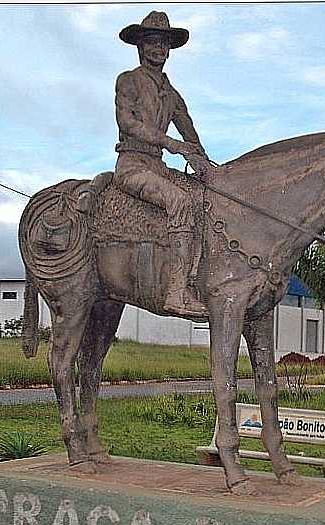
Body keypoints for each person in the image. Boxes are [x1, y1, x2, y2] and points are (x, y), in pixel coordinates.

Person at [114, 11, 211, 316]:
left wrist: (205, 165)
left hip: (158, 167)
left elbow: (189, 134)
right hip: (133, 165)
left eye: (164, 44)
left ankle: (196, 278)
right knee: (179, 201)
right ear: (141, 46)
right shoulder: (128, 80)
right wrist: (170, 143)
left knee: (202, 199)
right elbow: (127, 122)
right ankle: (176, 293)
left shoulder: (172, 94)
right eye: (153, 42)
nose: (159, 49)